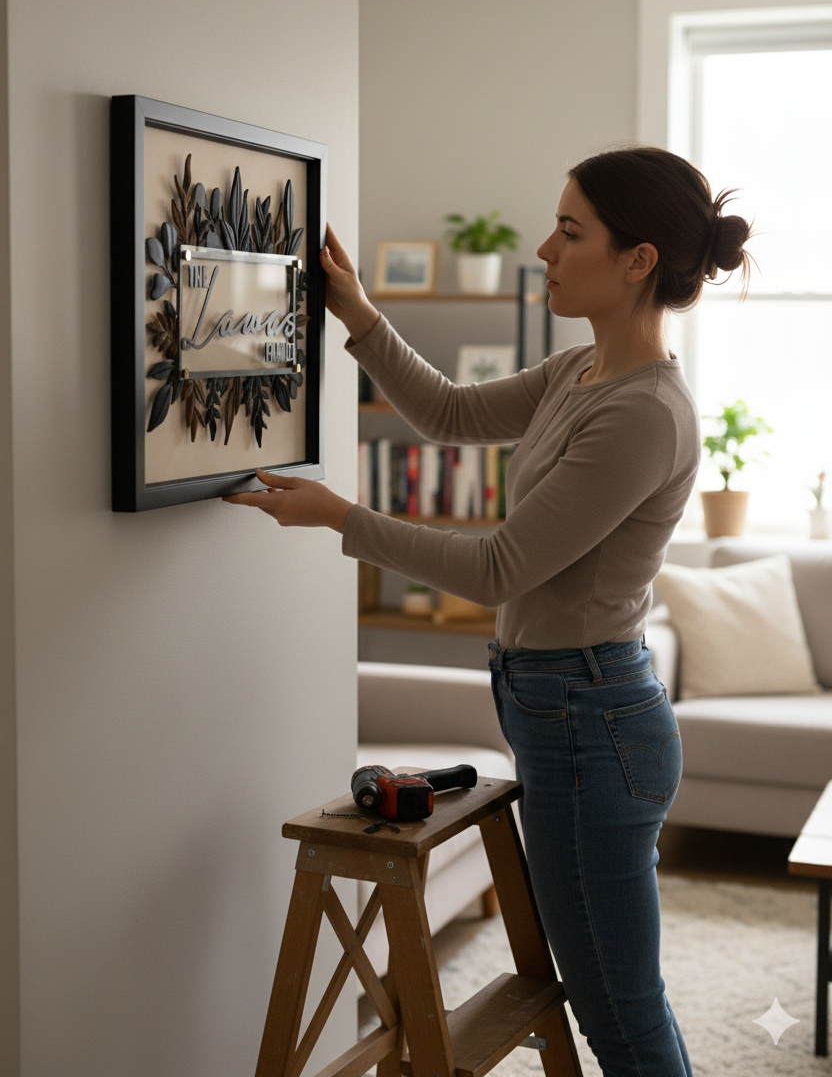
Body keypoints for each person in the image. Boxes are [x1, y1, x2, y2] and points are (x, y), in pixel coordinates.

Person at [224, 145, 754, 1077]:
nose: (544, 249)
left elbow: (500, 568)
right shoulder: (580, 371)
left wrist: (342, 517)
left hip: (593, 721)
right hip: (563, 708)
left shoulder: (644, 413)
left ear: (637, 261)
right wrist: (358, 312)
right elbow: (451, 413)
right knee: (611, 996)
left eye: (569, 231)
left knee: (619, 1009)